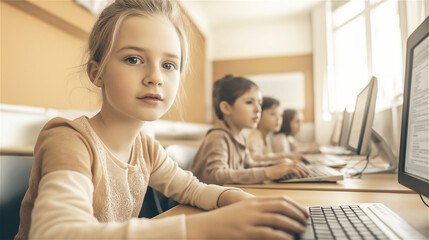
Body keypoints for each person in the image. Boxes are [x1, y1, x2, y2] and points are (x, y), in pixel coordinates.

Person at [15, 1, 309, 239]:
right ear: (97, 72)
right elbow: (54, 232)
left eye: (169, 65)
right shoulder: (68, 139)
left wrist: (240, 201)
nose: (155, 77)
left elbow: (193, 189)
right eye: (133, 59)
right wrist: (207, 227)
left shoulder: (146, 148)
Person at [190, 75, 309, 186]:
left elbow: (248, 164)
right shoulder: (218, 136)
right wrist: (267, 172)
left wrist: (279, 165)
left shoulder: (240, 136)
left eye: (259, 103)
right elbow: (215, 175)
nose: (258, 109)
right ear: (226, 108)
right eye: (249, 102)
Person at [247, 97, 304, 162]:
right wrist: (285, 156)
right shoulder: (254, 138)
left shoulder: (266, 136)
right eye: (273, 114)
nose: (278, 118)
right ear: (259, 115)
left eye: (280, 115)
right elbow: (254, 159)